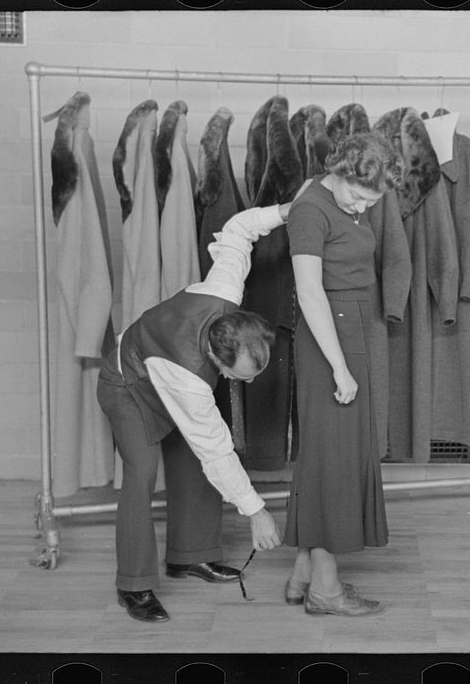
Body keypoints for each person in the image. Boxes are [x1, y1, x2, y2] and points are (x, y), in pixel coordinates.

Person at [97, 187, 309, 623]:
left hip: (165, 373)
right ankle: (133, 587)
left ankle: (189, 556)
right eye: (243, 375)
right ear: (218, 357)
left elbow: (238, 230)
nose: (247, 382)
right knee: (141, 475)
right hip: (128, 386)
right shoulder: (191, 381)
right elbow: (215, 448)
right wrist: (257, 511)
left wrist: (285, 212)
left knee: (193, 465)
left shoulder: (224, 289)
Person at [283, 132, 405, 617]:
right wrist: (339, 367)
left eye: (371, 202)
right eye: (357, 194)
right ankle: (326, 591)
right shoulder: (310, 209)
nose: (361, 206)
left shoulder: (339, 197)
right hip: (327, 337)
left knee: (326, 453)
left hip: (348, 329)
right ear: (341, 168)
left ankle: (302, 576)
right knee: (332, 459)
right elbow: (309, 292)